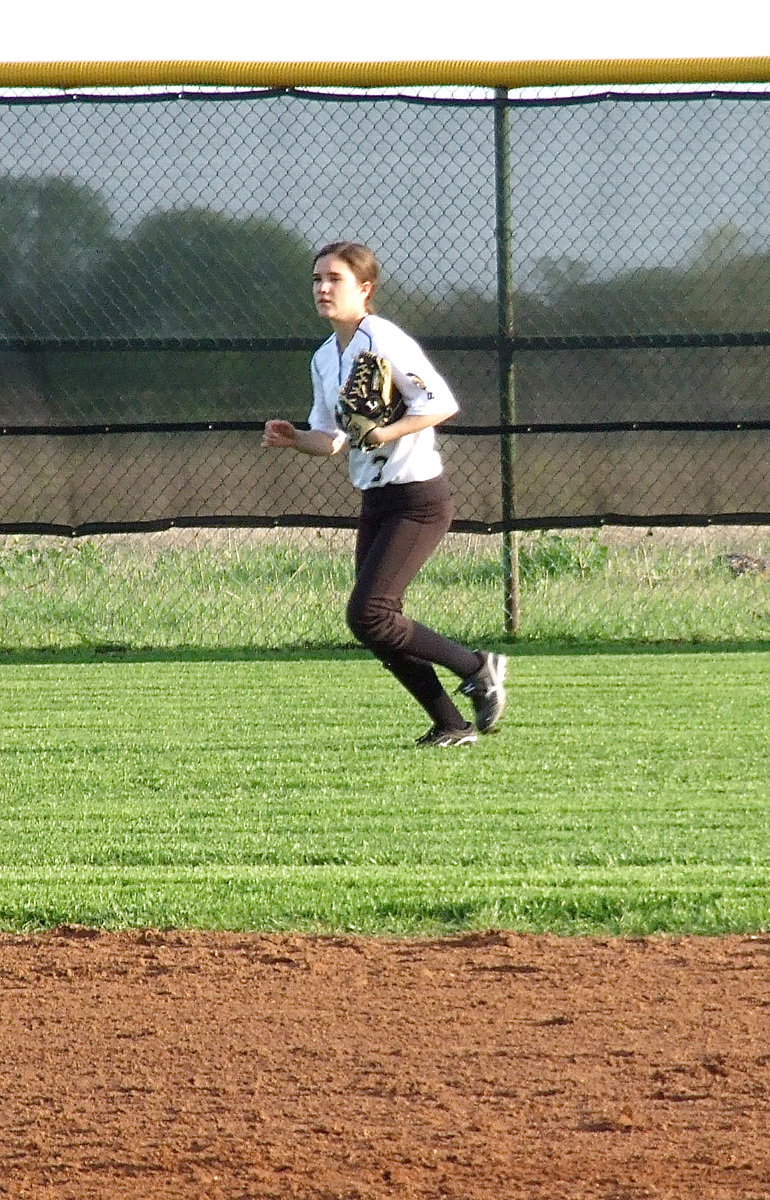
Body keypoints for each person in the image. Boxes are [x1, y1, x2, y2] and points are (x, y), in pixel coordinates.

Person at [262, 241, 506, 747]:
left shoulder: (385, 340)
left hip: (418, 497)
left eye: (335, 279)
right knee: (375, 622)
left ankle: (477, 666)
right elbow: (332, 438)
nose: (322, 288)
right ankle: (451, 723)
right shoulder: (324, 357)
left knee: (369, 613)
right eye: (316, 280)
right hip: (377, 498)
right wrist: (295, 440)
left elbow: (442, 403)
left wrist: (386, 433)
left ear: (365, 289)